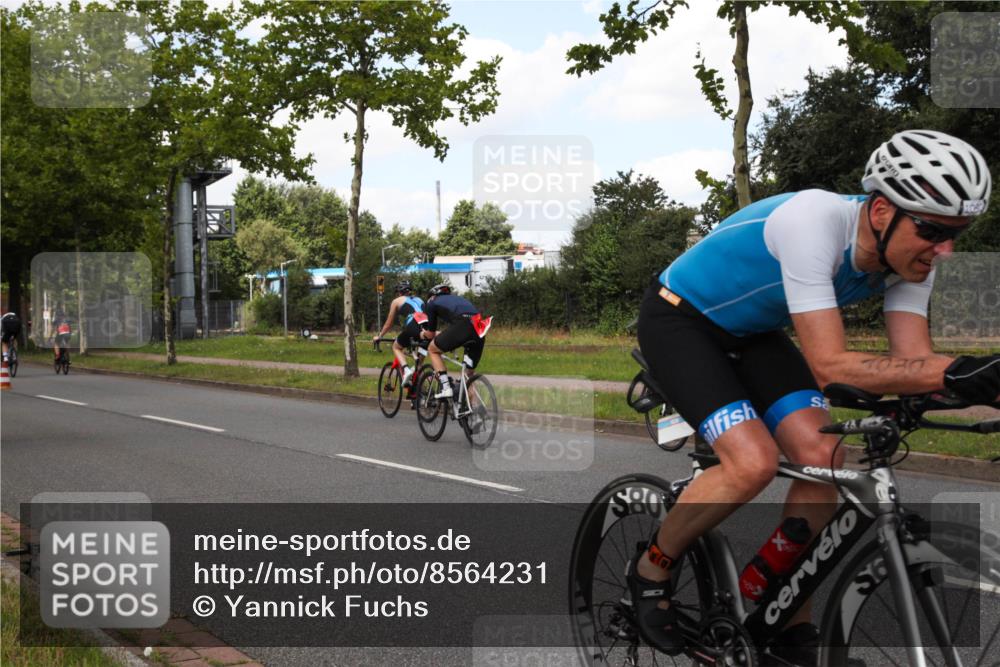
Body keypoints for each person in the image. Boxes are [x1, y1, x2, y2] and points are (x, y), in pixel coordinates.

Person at [631, 129, 998, 665]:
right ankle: (652, 569)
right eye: (933, 230)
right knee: (752, 462)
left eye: (956, 234)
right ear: (881, 212)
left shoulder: (910, 261)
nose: (945, 250)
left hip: (754, 333)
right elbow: (828, 366)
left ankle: (784, 613)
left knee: (823, 456)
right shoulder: (813, 223)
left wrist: (970, 384)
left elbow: (913, 365)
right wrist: (957, 372)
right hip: (679, 320)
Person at [419, 284, 492, 399]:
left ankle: (446, 388)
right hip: (480, 328)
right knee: (468, 375)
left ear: (432, 296)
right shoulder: (459, 299)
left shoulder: (432, 302)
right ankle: (471, 406)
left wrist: (422, 334)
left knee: (432, 350)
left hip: (463, 326)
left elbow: (430, 334)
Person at [373, 280, 426, 387]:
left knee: (396, 347)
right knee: (419, 363)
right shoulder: (420, 300)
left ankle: (406, 370)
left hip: (413, 325)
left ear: (399, 292)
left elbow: (389, 323)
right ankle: (419, 389)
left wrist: (380, 336)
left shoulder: (396, 301)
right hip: (427, 327)